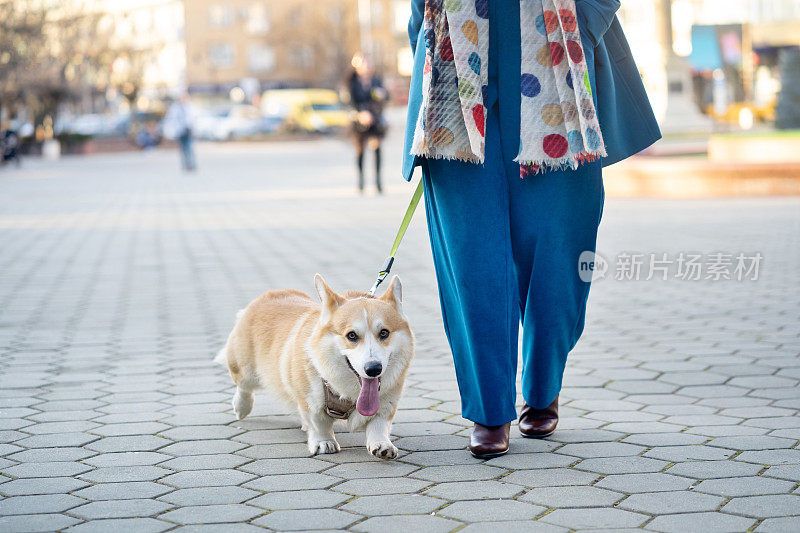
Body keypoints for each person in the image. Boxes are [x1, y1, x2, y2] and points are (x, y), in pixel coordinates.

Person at [402, 0, 661, 457]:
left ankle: (542, 385)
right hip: (455, 68)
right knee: (472, 256)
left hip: (556, 67)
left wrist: (580, 23)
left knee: (559, 250)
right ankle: (489, 408)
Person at [347, 57, 389, 193]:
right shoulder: (352, 83)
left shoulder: (376, 81)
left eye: (369, 64)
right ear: (357, 67)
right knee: (360, 151)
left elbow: (385, 97)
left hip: (374, 119)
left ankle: (378, 182)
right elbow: (350, 103)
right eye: (365, 64)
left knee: (377, 147)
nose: (368, 67)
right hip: (358, 120)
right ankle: (361, 181)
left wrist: (381, 96)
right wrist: (360, 114)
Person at [166, 94, 197, 171]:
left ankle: (191, 164)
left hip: (188, 130)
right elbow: (171, 119)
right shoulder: (175, 108)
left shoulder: (190, 107)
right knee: (182, 149)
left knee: (189, 147)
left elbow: (194, 118)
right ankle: (185, 165)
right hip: (179, 131)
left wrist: (193, 128)